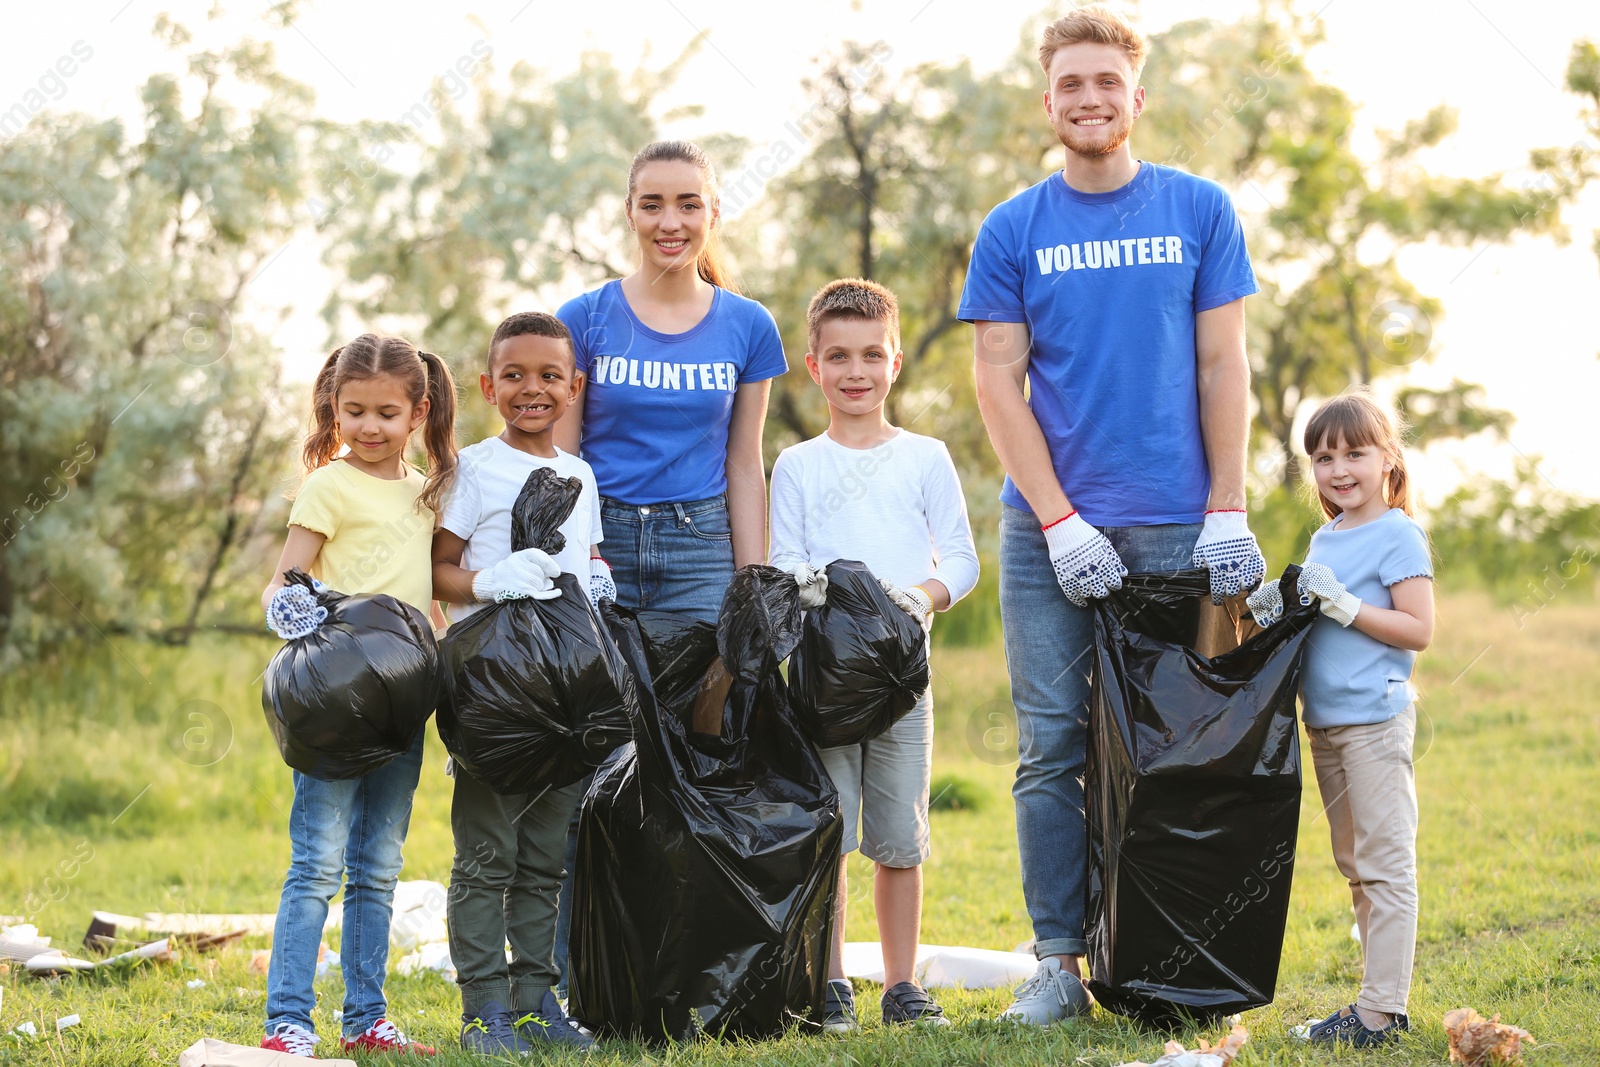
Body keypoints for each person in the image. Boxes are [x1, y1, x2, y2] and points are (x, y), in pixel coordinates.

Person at [959, 5, 1266, 1024]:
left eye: (1106, 83)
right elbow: (997, 384)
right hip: (1049, 531)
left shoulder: (1197, 210)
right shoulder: (1013, 228)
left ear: (1138, 98)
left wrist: (1227, 504)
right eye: (1070, 85)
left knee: (1181, 746)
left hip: (1182, 525)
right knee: (1051, 744)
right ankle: (1057, 961)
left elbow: (1224, 364)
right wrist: (1055, 520)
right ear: (1046, 102)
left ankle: (1173, 956)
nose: (1089, 99)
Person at [551, 139, 788, 990]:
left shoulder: (747, 326)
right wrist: (582, 558)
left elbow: (744, 464)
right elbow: (566, 462)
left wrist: (751, 589)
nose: (670, 221)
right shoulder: (585, 319)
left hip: (700, 552)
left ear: (713, 213)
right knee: (602, 756)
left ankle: (679, 966)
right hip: (604, 546)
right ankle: (586, 971)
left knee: (691, 757)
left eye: (688, 203)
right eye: (652, 203)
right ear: (628, 212)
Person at [768, 279, 980, 1032]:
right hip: (824, 680)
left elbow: (961, 558)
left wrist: (921, 596)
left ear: (895, 361)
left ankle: (899, 984)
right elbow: (783, 560)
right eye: (838, 357)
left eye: (870, 355)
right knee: (828, 831)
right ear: (812, 365)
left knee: (899, 836)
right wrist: (830, 593)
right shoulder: (796, 465)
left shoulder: (925, 457)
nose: (855, 371)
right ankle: (829, 985)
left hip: (901, 679)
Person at [258, 333, 457, 1057]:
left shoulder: (425, 491)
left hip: (403, 705)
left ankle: (365, 1020)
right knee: (316, 862)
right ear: (333, 409)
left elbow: (430, 600)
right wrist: (288, 612)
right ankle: (287, 1019)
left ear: (417, 411)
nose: (369, 426)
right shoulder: (328, 485)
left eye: (385, 412)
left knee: (378, 865)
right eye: (354, 411)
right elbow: (284, 579)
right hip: (338, 704)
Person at [430, 312, 605, 1054]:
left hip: (565, 697)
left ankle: (538, 1000)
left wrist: (595, 583)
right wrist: (489, 580)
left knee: (546, 853)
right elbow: (435, 569)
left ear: (574, 387)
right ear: (488, 385)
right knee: (485, 853)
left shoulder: (580, 473)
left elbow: (586, 556)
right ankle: (484, 1011)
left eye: (547, 376)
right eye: (514, 375)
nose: (531, 389)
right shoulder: (474, 468)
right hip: (496, 692)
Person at [1247, 391, 1433, 1048]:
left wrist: (1347, 605)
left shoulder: (1399, 532)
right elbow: (1314, 618)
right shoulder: (1326, 535)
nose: (1339, 468)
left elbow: (1418, 628)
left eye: (1355, 452)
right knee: (1354, 862)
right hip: (1323, 726)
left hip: (1374, 725)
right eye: (1324, 457)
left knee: (1386, 863)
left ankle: (1382, 1011)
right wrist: (1281, 606)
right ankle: (1371, 1001)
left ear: (1388, 457)